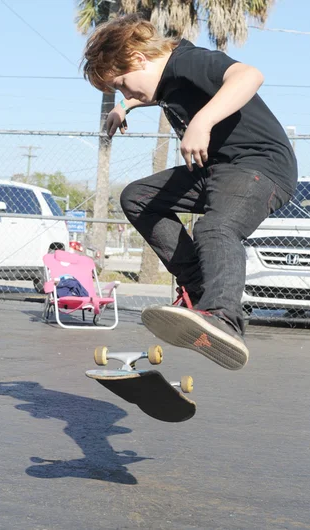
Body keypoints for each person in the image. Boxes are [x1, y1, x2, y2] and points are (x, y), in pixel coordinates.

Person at [82, 14, 298, 370]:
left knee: (215, 228)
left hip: (261, 166)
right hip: (220, 171)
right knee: (137, 198)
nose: (126, 92)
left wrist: (202, 121)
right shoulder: (165, 82)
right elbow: (150, 91)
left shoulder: (188, 61)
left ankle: (224, 318)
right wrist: (124, 107)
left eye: (122, 85)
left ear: (138, 58)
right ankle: (198, 288)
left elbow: (249, 76)